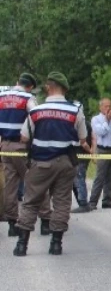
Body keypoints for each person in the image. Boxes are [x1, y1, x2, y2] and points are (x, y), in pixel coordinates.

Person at [12, 72, 87, 256]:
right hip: (65, 163)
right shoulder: (74, 110)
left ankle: (22, 245)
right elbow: (82, 137)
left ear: (48, 87)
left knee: (30, 202)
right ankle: (56, 244)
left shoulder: (36, 111)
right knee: (61, 202)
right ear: (64, 89)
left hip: (40, 163)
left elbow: (24, 137)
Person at [0, 73, 38, 236]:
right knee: (35, 182)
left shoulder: (1, 96)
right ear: (29, 86)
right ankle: (45, 221)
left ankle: (11, 224)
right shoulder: (28, 98)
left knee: (10, 186)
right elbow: (37, 118)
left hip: (4, 146)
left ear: (17, 82)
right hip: (21, 146)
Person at [72, 97, 94, 213]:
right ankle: (81, 201)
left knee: (79, 178)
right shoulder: (87, 123)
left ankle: (83, 203)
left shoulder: (81, 124)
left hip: (80, 155)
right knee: (75, 179)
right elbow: (94, 138)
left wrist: (90, 151)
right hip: (80, 155)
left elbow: (84, 142)